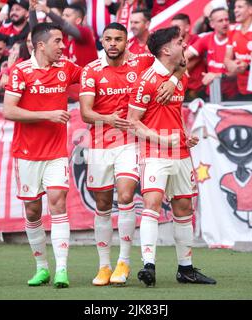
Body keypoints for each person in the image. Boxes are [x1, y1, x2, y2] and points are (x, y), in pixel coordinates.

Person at [79, 22, 177, 286]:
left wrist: (175, 79)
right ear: (102, 40)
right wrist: (108, 118)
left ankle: (123, 261)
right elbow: (85, 113)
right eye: (108, 39)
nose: (113, 43)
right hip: (100, 143)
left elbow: (179, 59)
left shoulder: (143, 61)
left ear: (126, 42)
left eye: (118, 39)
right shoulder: (91, 70)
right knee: (101, 205)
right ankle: (103, 265)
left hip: (130, 142)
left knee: (124, 196)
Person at [127, 26, 216, 287]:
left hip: (181, 151)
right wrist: (163, 139)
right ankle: (149, 266)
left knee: (184, 208)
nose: (184, 45)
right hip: (154, 151)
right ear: (166, 50)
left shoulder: (180, 76)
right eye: (179, 42)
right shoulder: (146, 81)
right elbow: (133, 122)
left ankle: (186, 269)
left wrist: (184, 135)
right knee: (152, 202)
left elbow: (173, 113)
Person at [3, 23, 81, 288]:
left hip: (57, 152)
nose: (62, 46)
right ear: (41, 45)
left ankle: (61, 270)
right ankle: (42, 268)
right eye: (58, 42)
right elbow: (9, 111)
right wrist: (47, 115)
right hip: (26, 153)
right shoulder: (20, 71)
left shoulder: (66, 68)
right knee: (32, 209)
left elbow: (92, 76)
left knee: (58, 202)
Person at [185, 7, 238, 100]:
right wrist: (182, 67)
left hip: (232, 97)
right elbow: (185, 55)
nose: (225, 23)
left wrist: (217, 76)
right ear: (212, 24)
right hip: (212, 94)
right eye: (220, 21)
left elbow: (241, 72)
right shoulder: (207, 38)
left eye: (227, 19)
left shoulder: (237, 38)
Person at [30, 2, 98, 68]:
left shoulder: (86, 33)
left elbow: (65, 25)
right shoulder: (60, 36)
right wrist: (32, 10)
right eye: (63, 15)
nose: (63, 18)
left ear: (78, 20)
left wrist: (48, 11)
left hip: (87, 78)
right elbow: (36, 34)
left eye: (67, 16)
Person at [171, 13, 209, 100]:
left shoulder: (197, 40)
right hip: (179, 90)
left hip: (196, 91)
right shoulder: (171, 44)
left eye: (177, 27)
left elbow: (188, 66)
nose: (173, 30)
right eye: (171, 27)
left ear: (187, 28)